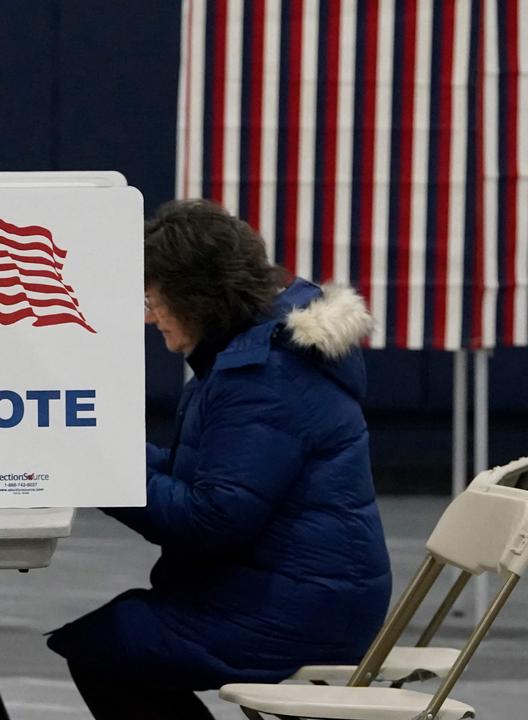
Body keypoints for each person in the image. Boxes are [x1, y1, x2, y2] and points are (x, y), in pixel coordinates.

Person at [47, 199, 392, 719]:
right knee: (115, 640)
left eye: (153, 297)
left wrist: (101, 471)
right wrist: (99, 448)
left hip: (299, 613)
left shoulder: (263, 377)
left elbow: (212, 519)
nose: (148, 314)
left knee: (110, 647)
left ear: (197, 297)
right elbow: (205, 474)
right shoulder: (255, 357)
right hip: (309, 595)